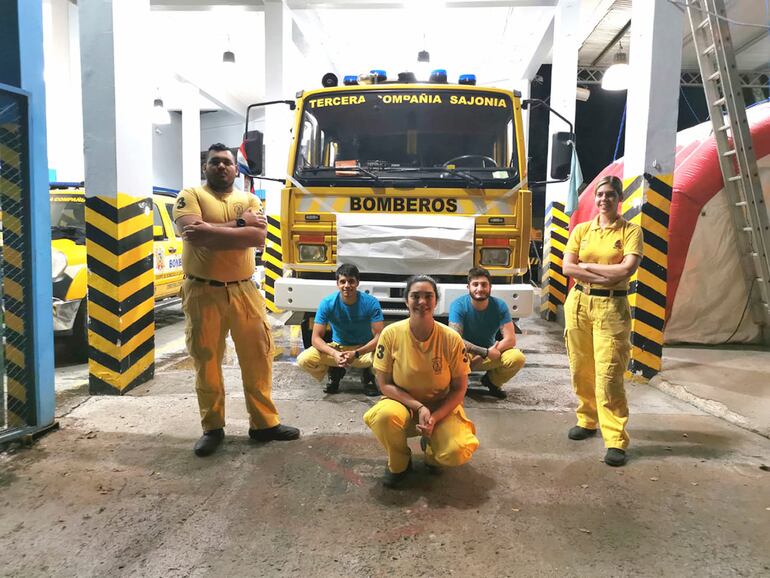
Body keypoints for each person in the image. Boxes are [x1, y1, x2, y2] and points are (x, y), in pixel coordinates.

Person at [173, 143, 299, 457]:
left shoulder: (249, 199)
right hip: (202, 291)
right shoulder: (191, 195)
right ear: (206, 167)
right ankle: (213, 427)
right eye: (214, 162)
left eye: (227, 162)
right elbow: (193, 234)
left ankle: (264, 424)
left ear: (236, 168)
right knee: (207, 361)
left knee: (259, 356)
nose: (221, 167)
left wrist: (214, 230)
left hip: (245, 290)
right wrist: (239, 226)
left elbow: (257, 239)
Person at [364, 275, 479, 488]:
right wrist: (419, 406)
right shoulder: (390, 334)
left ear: (436, 301)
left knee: (457, 450)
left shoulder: (451, 338)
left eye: (428, 296)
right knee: (383, 417)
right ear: (406, 301)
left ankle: (432, 451)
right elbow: (384, 384)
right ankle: (399, 463)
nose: (422, 302)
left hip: (440, 406)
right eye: (415, 296)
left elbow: (459, 388)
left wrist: (434, 416)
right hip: (402, 404)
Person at [561, 175, 643, 467]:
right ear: (594, 198)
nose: (604, 199)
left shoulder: (631, 231)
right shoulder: (582, 230)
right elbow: (567, 267)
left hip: (612, 308)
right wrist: (605, 272)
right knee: (581, 367)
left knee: (609, 373)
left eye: (610, 194)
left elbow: (626, 270)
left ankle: (616, 439)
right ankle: (587, 419)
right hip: (579, 303)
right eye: (600, 195)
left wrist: (586, 267)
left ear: (618, 198)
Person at [296, 263, 384, 396]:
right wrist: (335, 354)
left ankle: (368, 374)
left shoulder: (370, 303)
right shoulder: (327, 303)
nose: (347, 286)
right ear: (337, 284)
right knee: (304, 359)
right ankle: (335, 370)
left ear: (357, 283)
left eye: (351, 281)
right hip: (338, 349)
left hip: (363, 352)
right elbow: (316, 338)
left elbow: (379, 336)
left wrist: (357, 353)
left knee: (387, 357)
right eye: (342, 281)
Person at [448, 267, 526, 399]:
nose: (480, 289)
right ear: (468, 287)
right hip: (464, 355)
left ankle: (492, 382)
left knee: (517, 358)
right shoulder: (458, 305)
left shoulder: (500, 306)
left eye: (484, 284)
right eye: (475, 284)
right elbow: (455, 340)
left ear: (490, 287)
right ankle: (459, 382)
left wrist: (486, 354)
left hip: (490, 353)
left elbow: (510, 340)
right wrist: (484, 352)